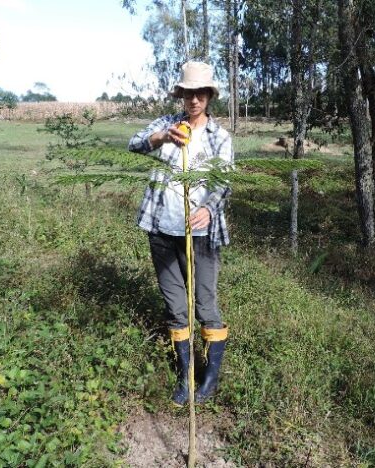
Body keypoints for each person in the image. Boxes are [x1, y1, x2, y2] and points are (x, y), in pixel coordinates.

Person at [128, 61, 233, 405]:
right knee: (176, 308)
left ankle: (210, 381)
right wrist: (161, 137)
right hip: (161, 230)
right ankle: (185, 377)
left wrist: (207, 208)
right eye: (188, 93)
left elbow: (223, 180)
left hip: (201, 236)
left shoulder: (220, 137)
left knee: (205, 305)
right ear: (181, 95)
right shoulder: (165, 124)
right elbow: (135, 144)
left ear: (209, 96)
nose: (193, 99)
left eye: (200, 93)